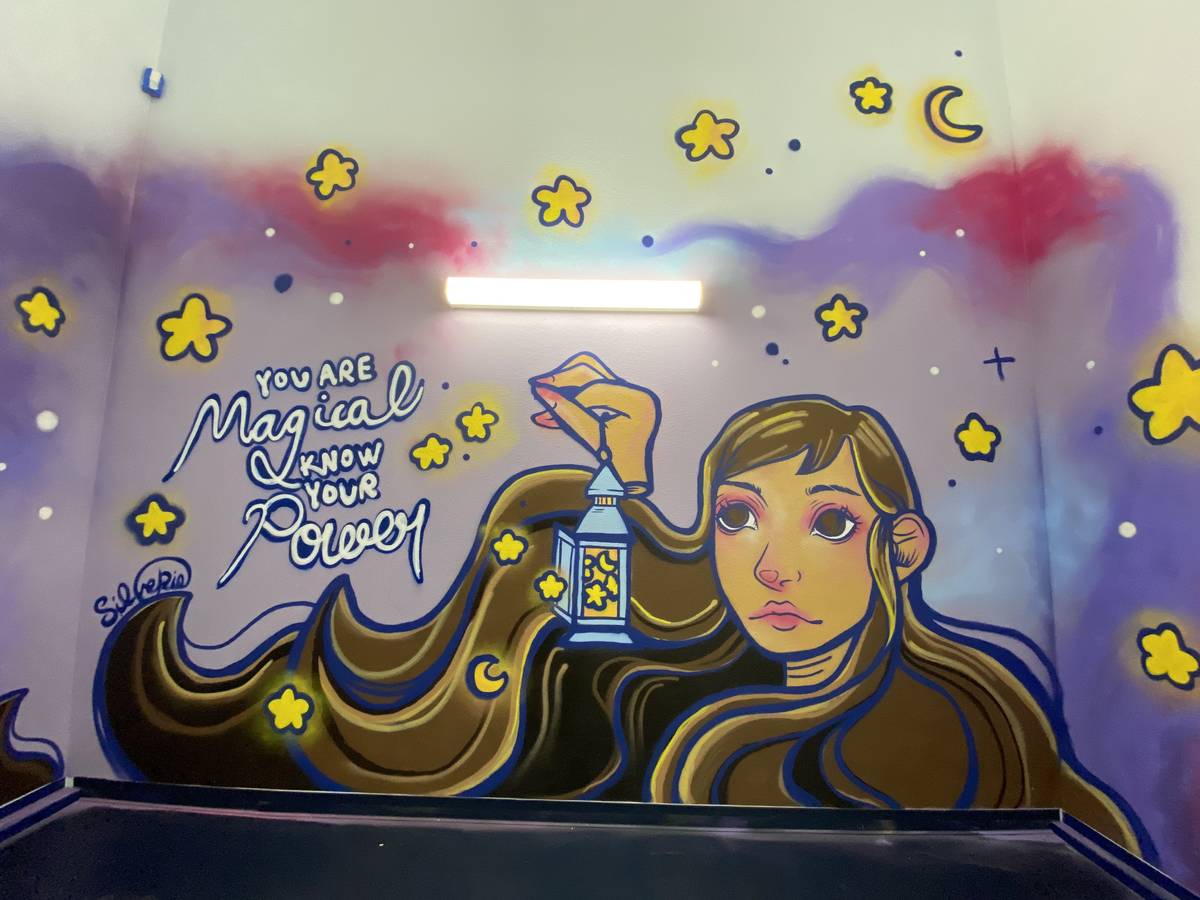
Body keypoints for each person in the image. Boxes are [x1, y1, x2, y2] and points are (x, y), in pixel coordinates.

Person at [96, 352, 1148, 855]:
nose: (771, 568)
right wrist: (627, 471)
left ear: (902, 546)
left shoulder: (951, 724)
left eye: (828, 523)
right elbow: (637, 612)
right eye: (737, 518)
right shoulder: (706, 681)